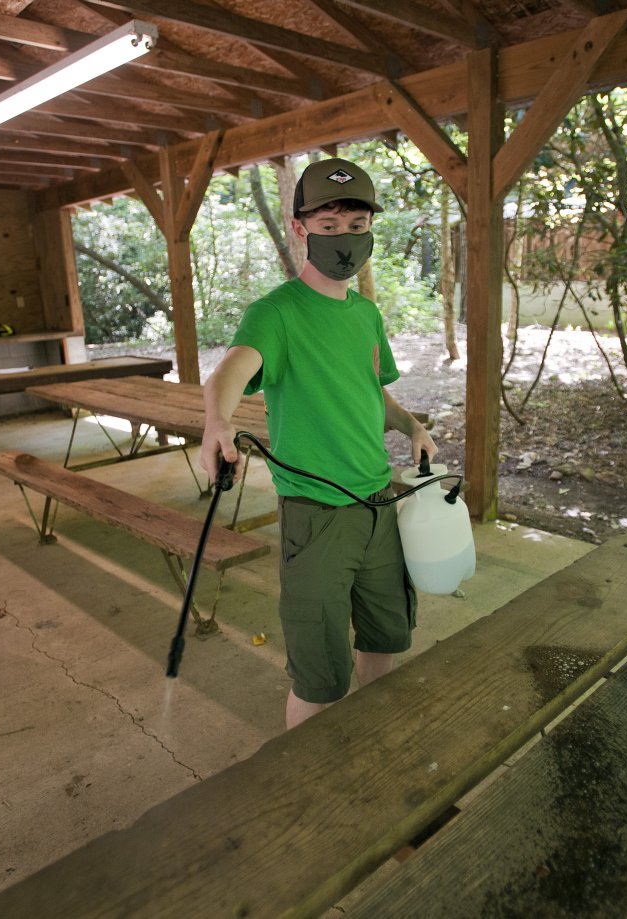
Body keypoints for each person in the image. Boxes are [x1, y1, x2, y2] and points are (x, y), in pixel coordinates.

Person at [200, 156, 438, 729]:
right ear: (300, 229)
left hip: (380, 504)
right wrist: (216, 422)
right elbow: (230, 372)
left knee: (384, 641)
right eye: (329, 228)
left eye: (356, 228)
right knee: (320, 676)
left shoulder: (366, 315)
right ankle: (311, 793)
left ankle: (376, 749)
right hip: (317, 516)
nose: (345, 241)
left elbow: (371, 391)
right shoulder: (276, 314)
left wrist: (412, 426)